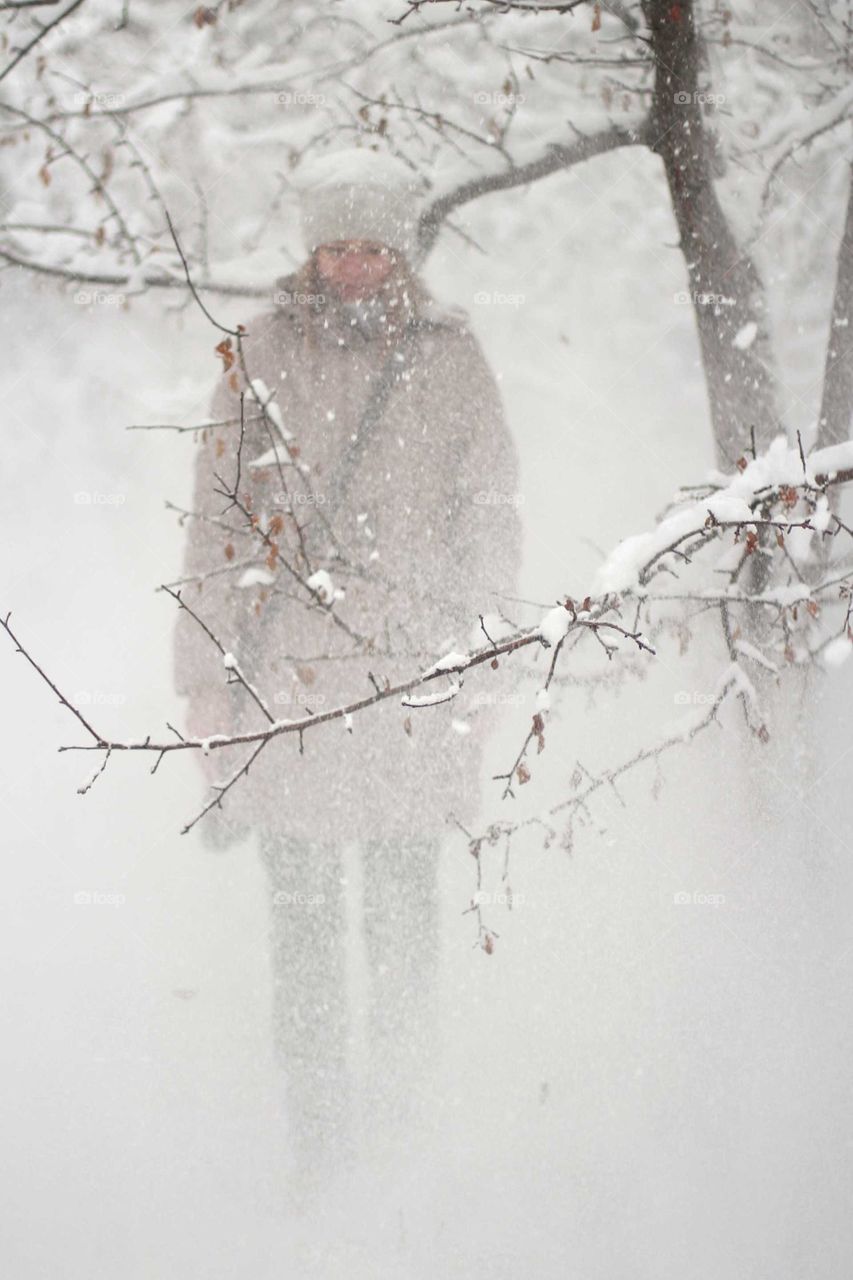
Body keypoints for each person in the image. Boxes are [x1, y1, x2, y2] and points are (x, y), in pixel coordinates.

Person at [173, 147, 522, 1175]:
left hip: (414, 679)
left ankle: (405, 1136)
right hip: (289, 688)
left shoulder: (451, 355)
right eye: (340, 245)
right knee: (306, 941)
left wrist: (484, 657)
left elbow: (489, 511)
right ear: (312, 250)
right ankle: (319, 1148)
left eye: (374, 246)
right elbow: (214, 525)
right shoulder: (259, 352)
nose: (358, 265)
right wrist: (203, 681)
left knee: (407, 925)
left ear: (398, 250)